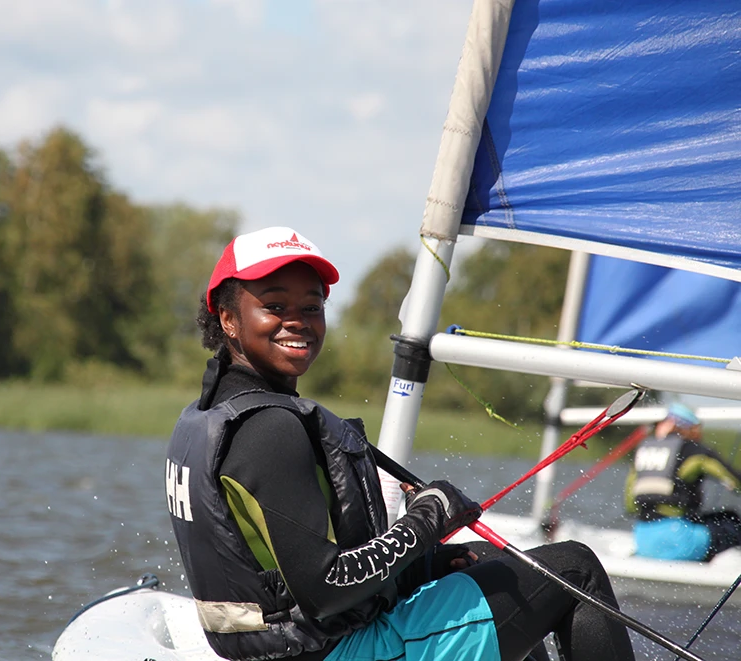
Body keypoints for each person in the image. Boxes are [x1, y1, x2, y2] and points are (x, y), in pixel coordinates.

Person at [166, 226, 634, 661]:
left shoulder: (209, 416)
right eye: (274, 306)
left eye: (311, 307)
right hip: (335, 652)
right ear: (227, 318)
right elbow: (325, 589)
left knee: (499, 566)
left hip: (291, 648)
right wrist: (425, 521)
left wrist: (419, 564)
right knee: (573, 569)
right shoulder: (269, 428)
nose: (298, 322)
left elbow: (279, 578)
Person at [626, 402, 741, 561]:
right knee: (732, 521)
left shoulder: (643, 450)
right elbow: (736, 481)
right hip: (681, 542)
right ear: (691, 428)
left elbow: (630, 504)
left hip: (642, 539)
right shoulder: (694, 451)